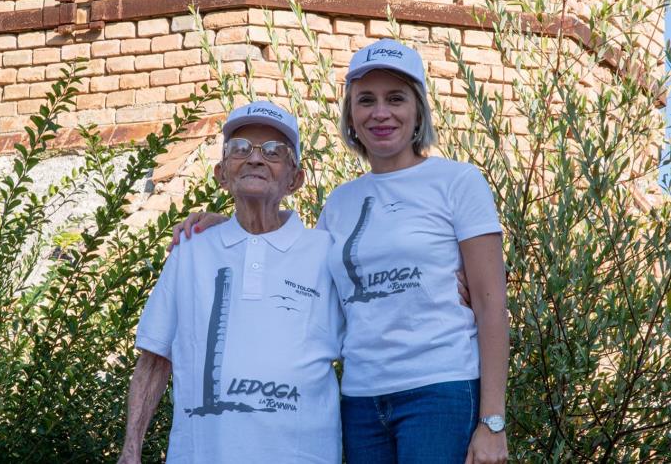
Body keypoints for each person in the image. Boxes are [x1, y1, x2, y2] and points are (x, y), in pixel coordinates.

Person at [171, 39, 509, 464]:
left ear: (419, 109)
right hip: (361, 400)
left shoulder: (459, 183)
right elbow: (297, 258)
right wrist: (231, 220)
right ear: (351, 114)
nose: (380, 113)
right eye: (366, 100)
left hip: (438, 390)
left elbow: (492, 304)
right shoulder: (340, 202)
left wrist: (492, 421)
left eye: (396, 99)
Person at [118, 102, 343, 464]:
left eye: (274, 152)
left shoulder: (325, 252)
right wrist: (131, 451)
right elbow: (155, 357)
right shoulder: (190, 251)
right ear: (222, 173)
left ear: (295, 179)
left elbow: (373, 329)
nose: (255, 159)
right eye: (240, 148)